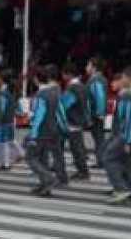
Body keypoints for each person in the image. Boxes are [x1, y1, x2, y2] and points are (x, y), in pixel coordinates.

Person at [25, 65, 70, 197]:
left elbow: (39, 115)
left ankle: (48, 178)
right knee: (43, 158)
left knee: (31, 157)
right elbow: (60, 113)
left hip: (41, 132)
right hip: (53, 130)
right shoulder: (55, 93)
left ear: (36, 79)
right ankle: (45, 185)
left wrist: (33, 134)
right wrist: (64, 128)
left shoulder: (41, 95)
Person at [103, 67, 131, 205]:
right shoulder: (130, 94)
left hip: (128, 135)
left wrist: (128, 140)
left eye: (122, 77)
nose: (121, 80)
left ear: (129, 78)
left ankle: (120, 188)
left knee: (108, 158)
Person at [61, 63, 91, 181]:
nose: (62, 77)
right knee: (78, 146)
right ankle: (82, 171)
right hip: (79, 119)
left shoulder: (72, 88)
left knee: (76, 148)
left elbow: (65, 104)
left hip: (72, 120)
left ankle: (83, 172)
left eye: (63, 74)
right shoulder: (82, 86)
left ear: (68, 74)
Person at [86, 57, 109, 167]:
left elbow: (99, 96)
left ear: (94, 67)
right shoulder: (101, 79)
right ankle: (101, 159)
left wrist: (100, 112)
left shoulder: (95, 80)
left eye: (88, 65)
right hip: (97, 113)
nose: (86, 67)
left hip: (95, 114)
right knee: (99, 137)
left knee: (99, 137)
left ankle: (101, 160)